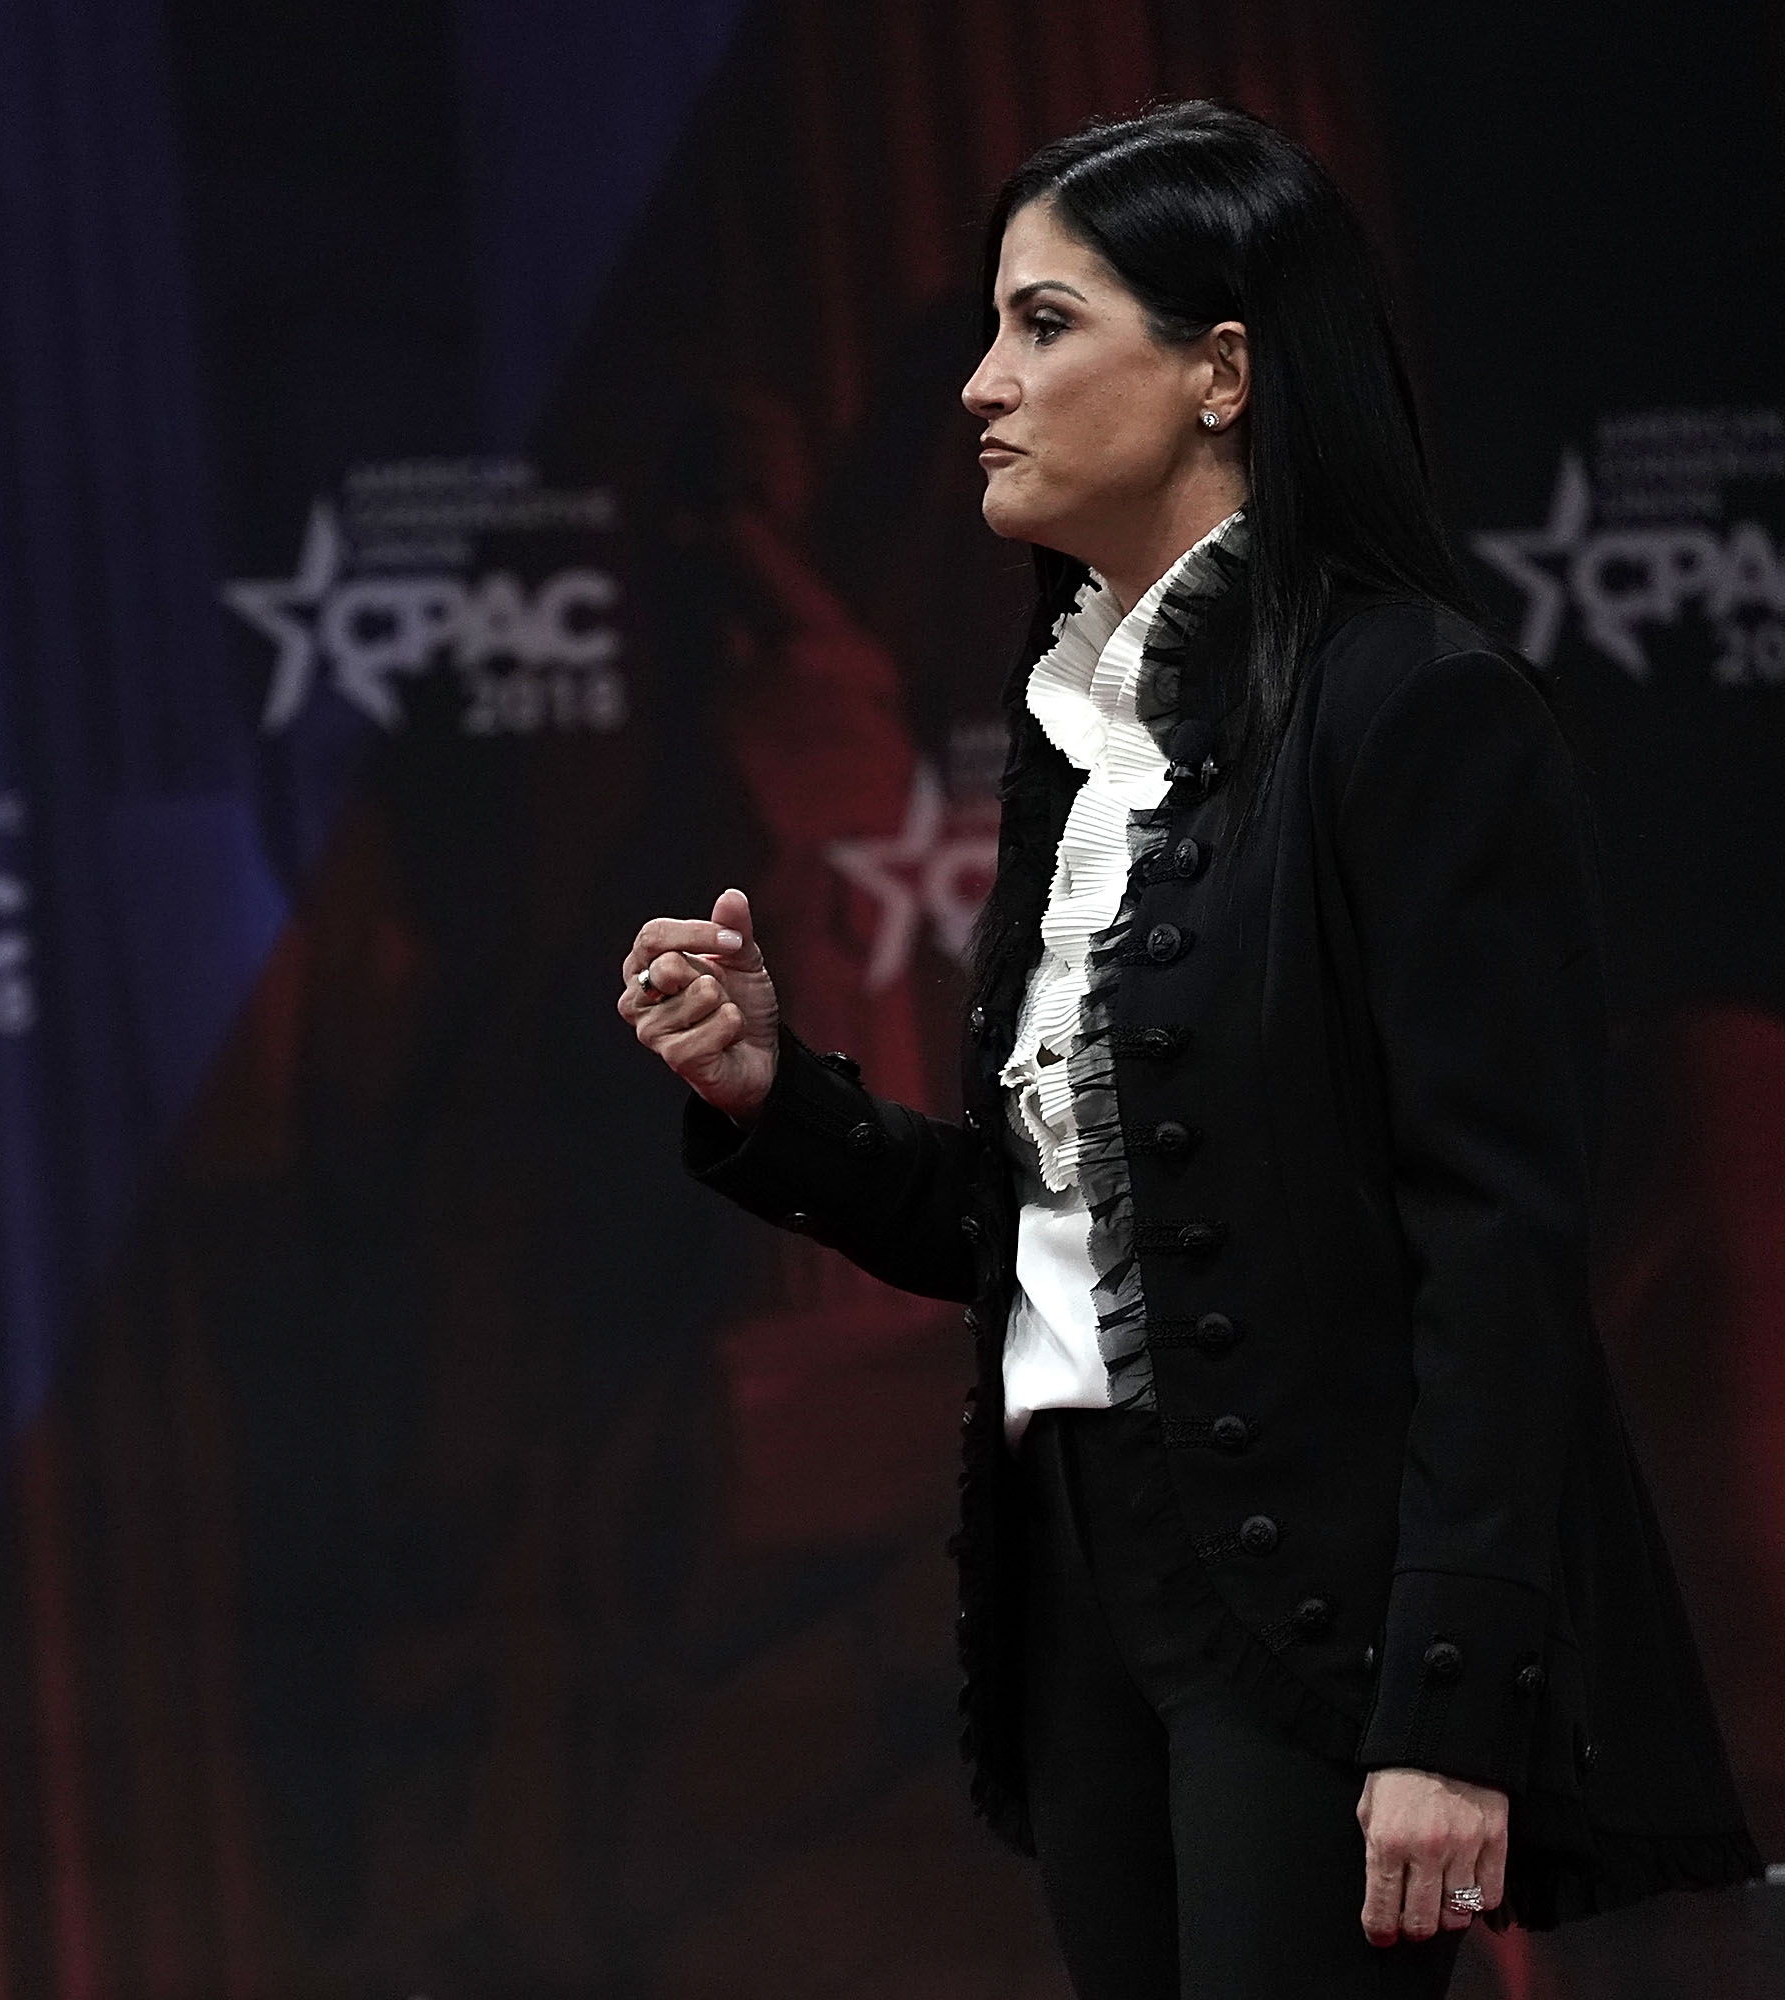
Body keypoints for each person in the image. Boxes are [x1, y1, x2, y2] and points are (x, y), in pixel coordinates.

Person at [617, 102, 1762, 1999]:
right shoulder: (1073, 739)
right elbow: (1049, 1229)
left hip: (1316, 1600)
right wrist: (771, 1097)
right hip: (1082, 1593)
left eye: (1043, 325)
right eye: (991, 328)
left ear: (1223, 370)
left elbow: (1497, 1253)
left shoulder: (1418, 708)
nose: (982, 386)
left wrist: (1447, 1705)